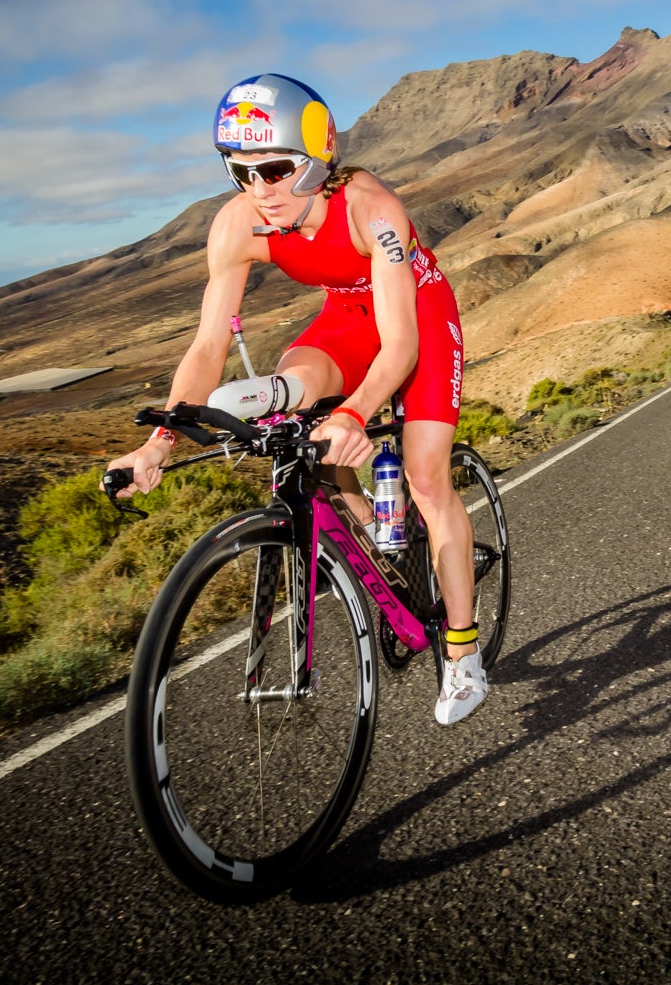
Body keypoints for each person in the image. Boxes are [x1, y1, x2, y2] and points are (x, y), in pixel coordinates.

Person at [106, 73, 486, 725]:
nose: (262, 192)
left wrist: (355, 411)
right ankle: (373, 537)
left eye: (276, 170)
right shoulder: (235, 227)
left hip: (416, 314)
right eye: (242, 173)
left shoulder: (372, 208)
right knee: (290, 406)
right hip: (343, 317)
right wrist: (158, 442)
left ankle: (463, 653)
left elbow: (398, 347)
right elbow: (205, 348)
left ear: (315, 156)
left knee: (425, 474)